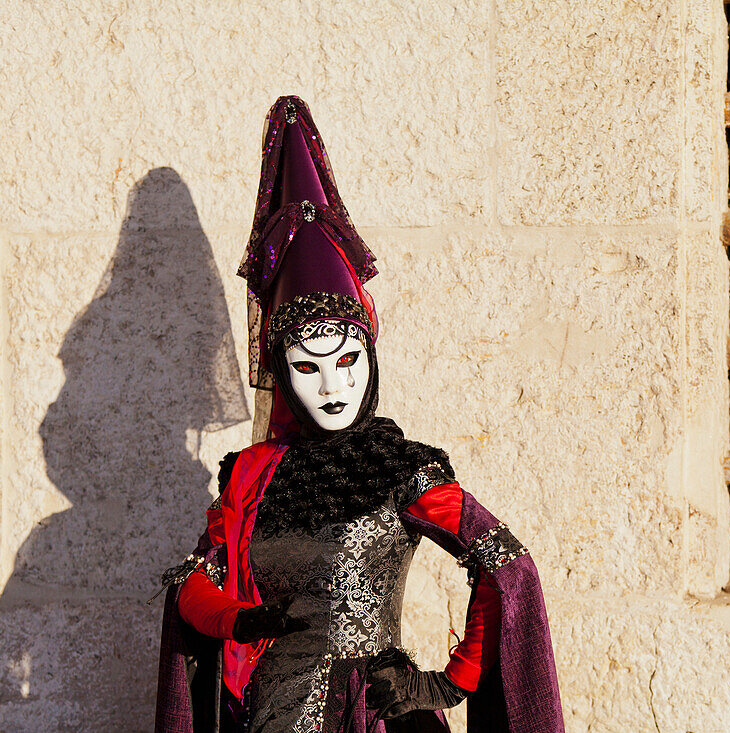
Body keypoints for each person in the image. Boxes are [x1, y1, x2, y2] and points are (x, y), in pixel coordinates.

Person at [154, 96, 564, 733]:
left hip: (373, 717)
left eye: (347, 361)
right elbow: (191, 591)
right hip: (267, 716)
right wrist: (239, 621)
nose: (332, 385)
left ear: (370, 358)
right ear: (283, 375)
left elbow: (505, 566)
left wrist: (447, 681)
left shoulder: (402, 469)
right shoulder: (250, 478)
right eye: (308, 368)